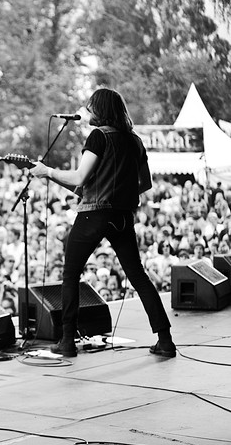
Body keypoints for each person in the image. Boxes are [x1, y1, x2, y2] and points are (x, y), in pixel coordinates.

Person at [29, 87, 175, 358]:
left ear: (101, 110)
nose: (87, 111)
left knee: (71, 274)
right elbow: (146, 183)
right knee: (138, 275)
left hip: (93, 214)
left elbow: (78, 178)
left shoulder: (98, 137)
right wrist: (119, 193)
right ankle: (165, 340)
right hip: (122, 216)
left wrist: (47, 171)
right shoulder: (135, 141)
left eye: (91, 107)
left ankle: (68, 341)